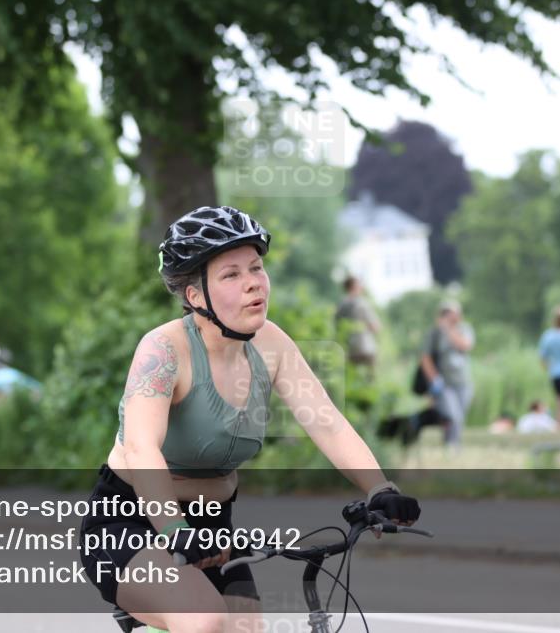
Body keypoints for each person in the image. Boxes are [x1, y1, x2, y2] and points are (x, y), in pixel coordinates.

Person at [78, 206, 420, 633]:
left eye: (256, 268)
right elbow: (140, 446)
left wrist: (379, 489)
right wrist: (171, 528)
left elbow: (327, 423)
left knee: (245, 630)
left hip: (212, 528)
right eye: (231, 275)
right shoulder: (164, 351)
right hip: (131, 521)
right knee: (205, 620)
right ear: (194, 295)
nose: (253, 282)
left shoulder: (272, 344)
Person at [419, 300, 475, 447]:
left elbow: (465, 345)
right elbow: (425, 358)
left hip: (463, 382)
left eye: (451, 313)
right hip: (444, 383)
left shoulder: (465, 329)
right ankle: (452, 446)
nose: (449, 316)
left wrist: (449, 329)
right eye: (445, 313)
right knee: (453, 415)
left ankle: (451, 443)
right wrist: (434, 379)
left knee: (459, 417)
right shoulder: (434, 333)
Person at [334, 276, 381, 375]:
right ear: (354, 286)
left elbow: (336, 325)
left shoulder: (341, 305)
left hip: (348, 348)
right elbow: (375, 326)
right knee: (369, 379)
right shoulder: (362, 303)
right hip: (365, 348)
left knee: (351, 377)